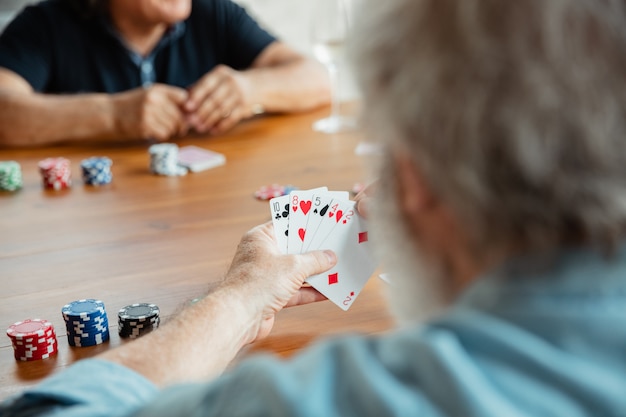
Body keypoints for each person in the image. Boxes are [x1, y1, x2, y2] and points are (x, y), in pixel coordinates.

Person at [3, 0, 626, 415]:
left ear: (414, 177)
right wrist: (114, 113)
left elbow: (56, 410)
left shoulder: (366, 396)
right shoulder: (45, 23)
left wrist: (239, 297)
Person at [0, 0, 330, 147]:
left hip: (190, 221)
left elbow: (317, 78)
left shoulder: (212, 11)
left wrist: (250, 89)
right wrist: (113, 115)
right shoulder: (45, 24)